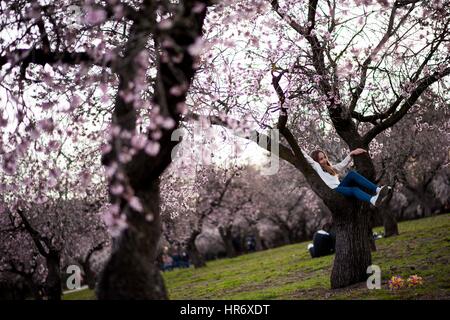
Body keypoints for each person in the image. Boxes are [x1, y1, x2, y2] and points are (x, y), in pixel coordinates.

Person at [301, 148, 392, 207]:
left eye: (324, 157)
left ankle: (377, 190)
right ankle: (372, 199)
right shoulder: (316, 167)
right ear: (316, 161)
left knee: (352, 174)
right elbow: (306, 157)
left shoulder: (331, 168)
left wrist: (351, 154)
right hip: (334, 191)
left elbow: (342, 165)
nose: (324, 160)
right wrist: (294, 145)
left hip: (340, 187)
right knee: (354, 189)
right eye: (321, 159)